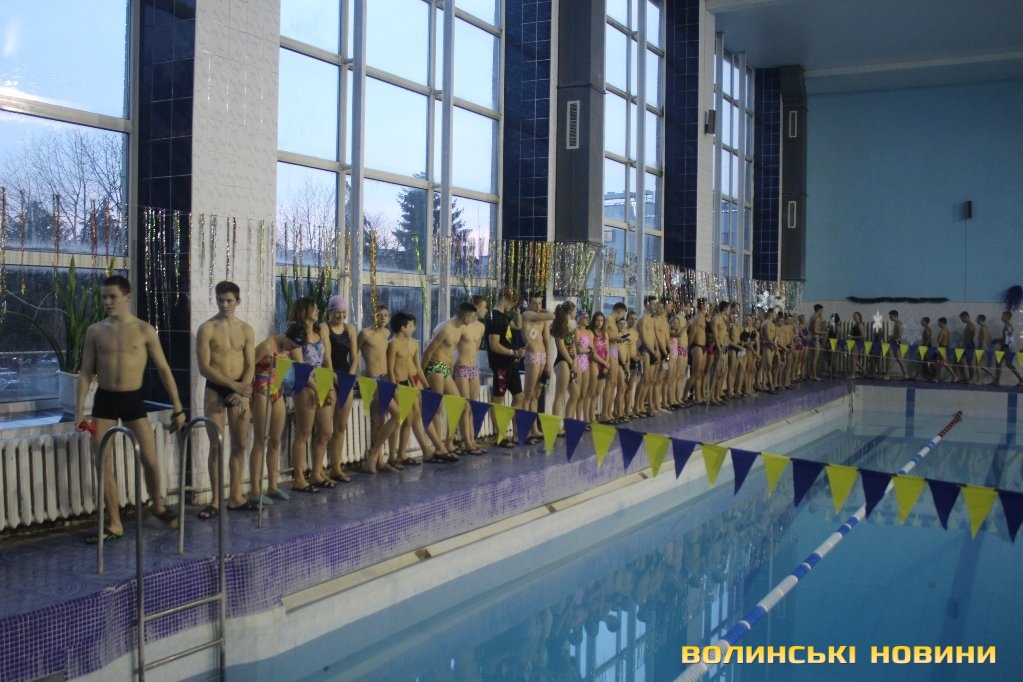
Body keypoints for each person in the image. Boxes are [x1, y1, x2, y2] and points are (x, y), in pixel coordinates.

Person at [76, 274, 185, 542]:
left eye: (113, 297)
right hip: (105, 401)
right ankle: (114, 523)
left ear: (127, 297)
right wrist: (79, 410)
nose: (108, 302)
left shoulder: (144, 330)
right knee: (102, 462)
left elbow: (163, 369)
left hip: (133, 399)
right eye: (104, 297)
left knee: (149, 459)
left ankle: (157, 505)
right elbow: (86, 372)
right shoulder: (95, 331)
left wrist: (178, 407)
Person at [195, 281, 255, 518]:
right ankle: (216, 500)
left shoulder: (246, 330)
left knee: (239, 444)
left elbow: (250, 365)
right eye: (220, 300)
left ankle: (236, 497)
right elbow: (204, 368)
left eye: (229, 300)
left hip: (240, 390)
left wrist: (242, 389)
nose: (224, 305)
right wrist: (233, 386)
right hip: (216, 389)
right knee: (216, 446)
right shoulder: (206, 328)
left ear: (238, 301)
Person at [249, 322, 307, 504]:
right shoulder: (268, 346)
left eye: (296, 347)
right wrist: (246, 394)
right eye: (293, 345)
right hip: (261, 390)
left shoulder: (290, 348)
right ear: (287, 336)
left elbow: (301, 368)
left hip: (278, 391)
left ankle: (273, 486)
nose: (293, 349)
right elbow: (248, 366)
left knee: (275, 440)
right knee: (260, 441)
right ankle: (255, 491)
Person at [389, 311, 453, 464]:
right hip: (398, 383)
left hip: (410, 382)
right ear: (403, 327)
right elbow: (391, 369)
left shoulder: (413, 344)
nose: (414, 328)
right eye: (411, 325)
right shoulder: (393, 344)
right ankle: (427, 450)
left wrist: (425, 386)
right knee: (409, 418)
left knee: (414, 417)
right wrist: (393, 388)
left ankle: (410, 453)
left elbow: (415, 367)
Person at [288, 297, 336, 493]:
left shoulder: (321, 331)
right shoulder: (295, 332)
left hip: (322, 382)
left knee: (325, 432)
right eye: (314, 308)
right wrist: (316, 389)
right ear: (304, 310)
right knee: (304, 433)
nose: (317, 311)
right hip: (305, 385)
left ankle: (317, 473)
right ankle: (299, 478)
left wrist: (329, 386)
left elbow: (327, 361)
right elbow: (300, 366)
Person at [423, 303, 483, 454]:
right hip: (435, 367)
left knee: (460, 405)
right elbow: (427, 353)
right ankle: (439, 447)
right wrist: (421, 376)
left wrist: (450, 371)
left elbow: (451, 353)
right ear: (466, 316)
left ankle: (448, 443)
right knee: (437, 408)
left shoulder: (460, 328)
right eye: (473, 317)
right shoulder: (445, 329)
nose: (474, 320)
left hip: (445, 369)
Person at [358, 304, 401, 470]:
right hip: (373, 379)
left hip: (386, 378)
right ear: (372, 316)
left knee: (379, 420)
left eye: (385, 315)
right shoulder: (365, 334)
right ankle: (374, 453)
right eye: (379, 314)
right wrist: (355, 376)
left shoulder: (386, 334)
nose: (382, 317)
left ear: (389, 318)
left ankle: (379, 461)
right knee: (397, 415)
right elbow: (353, 354)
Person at [326, 294, 359, 482]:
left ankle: (336, 468)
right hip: (329, 378)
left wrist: (349, 378)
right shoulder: (325, 328)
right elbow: (327, 358)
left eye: (344, 312)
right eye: (337, 312)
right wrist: (334, 378)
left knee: (341, 426)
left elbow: (354, 358)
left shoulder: (350, 329)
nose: (341, 316)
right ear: (330, 312)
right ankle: (320, 469)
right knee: (325, 429)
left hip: (346, 378)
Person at [487, 287, 526, 446]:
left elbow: (518, 325)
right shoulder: (494, 318)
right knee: (498, 400)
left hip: (510, 364)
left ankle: (515, 433)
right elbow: (494, 345)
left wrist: (517, 310)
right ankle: (500, 435)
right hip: (501, 366)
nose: (511, 306)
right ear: (503, 299)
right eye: (511, 302)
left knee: (519, 397)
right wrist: (514, 352)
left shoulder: (503, 316)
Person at [453, 295, 489, 452]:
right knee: (464, 406)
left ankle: (472, 440)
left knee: (473, 406)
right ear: (476, 308)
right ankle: (466, 441)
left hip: (474, 368)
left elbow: (476, 348)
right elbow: (451, 346)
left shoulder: (481, 327)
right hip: (461, 367)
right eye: (484, 307)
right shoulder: (462, 326)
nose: (486, 310)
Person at [520, 293, 555, 442]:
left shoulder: (542, 321)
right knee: (527, 395)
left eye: (540, 304)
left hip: (542, 357)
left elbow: (547, 341)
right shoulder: (527, 315)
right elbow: (552, 315)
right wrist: (544, 311)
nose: (537, 306)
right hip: (532, 356)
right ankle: (525, 429)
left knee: (536, 395)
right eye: (534, 303)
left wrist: (548, 363)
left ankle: (534, 428)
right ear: (528, 304)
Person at [997, 311, 1023, 386]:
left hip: (1006, 347)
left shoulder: (1008, 326)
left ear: (1007, 317)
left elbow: (1008, 340)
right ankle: (996, 380)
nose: (1001, 317)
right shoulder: (1007, 326)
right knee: (998, 362)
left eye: (1003, 316)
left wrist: (998, 340)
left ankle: (1021, 379)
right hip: (1004, 347)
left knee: (1008, 364)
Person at [885, 310, 908, 380]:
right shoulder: (897, 323)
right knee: (899, 359)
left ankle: (887, 375)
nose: (889, 318)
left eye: (890, 316)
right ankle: (906, 375)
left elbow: (900, 335)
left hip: (895, 343)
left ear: (893, 316)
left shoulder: (899, 323)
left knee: (890, 359)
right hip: (895, 342)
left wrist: (891, 336)